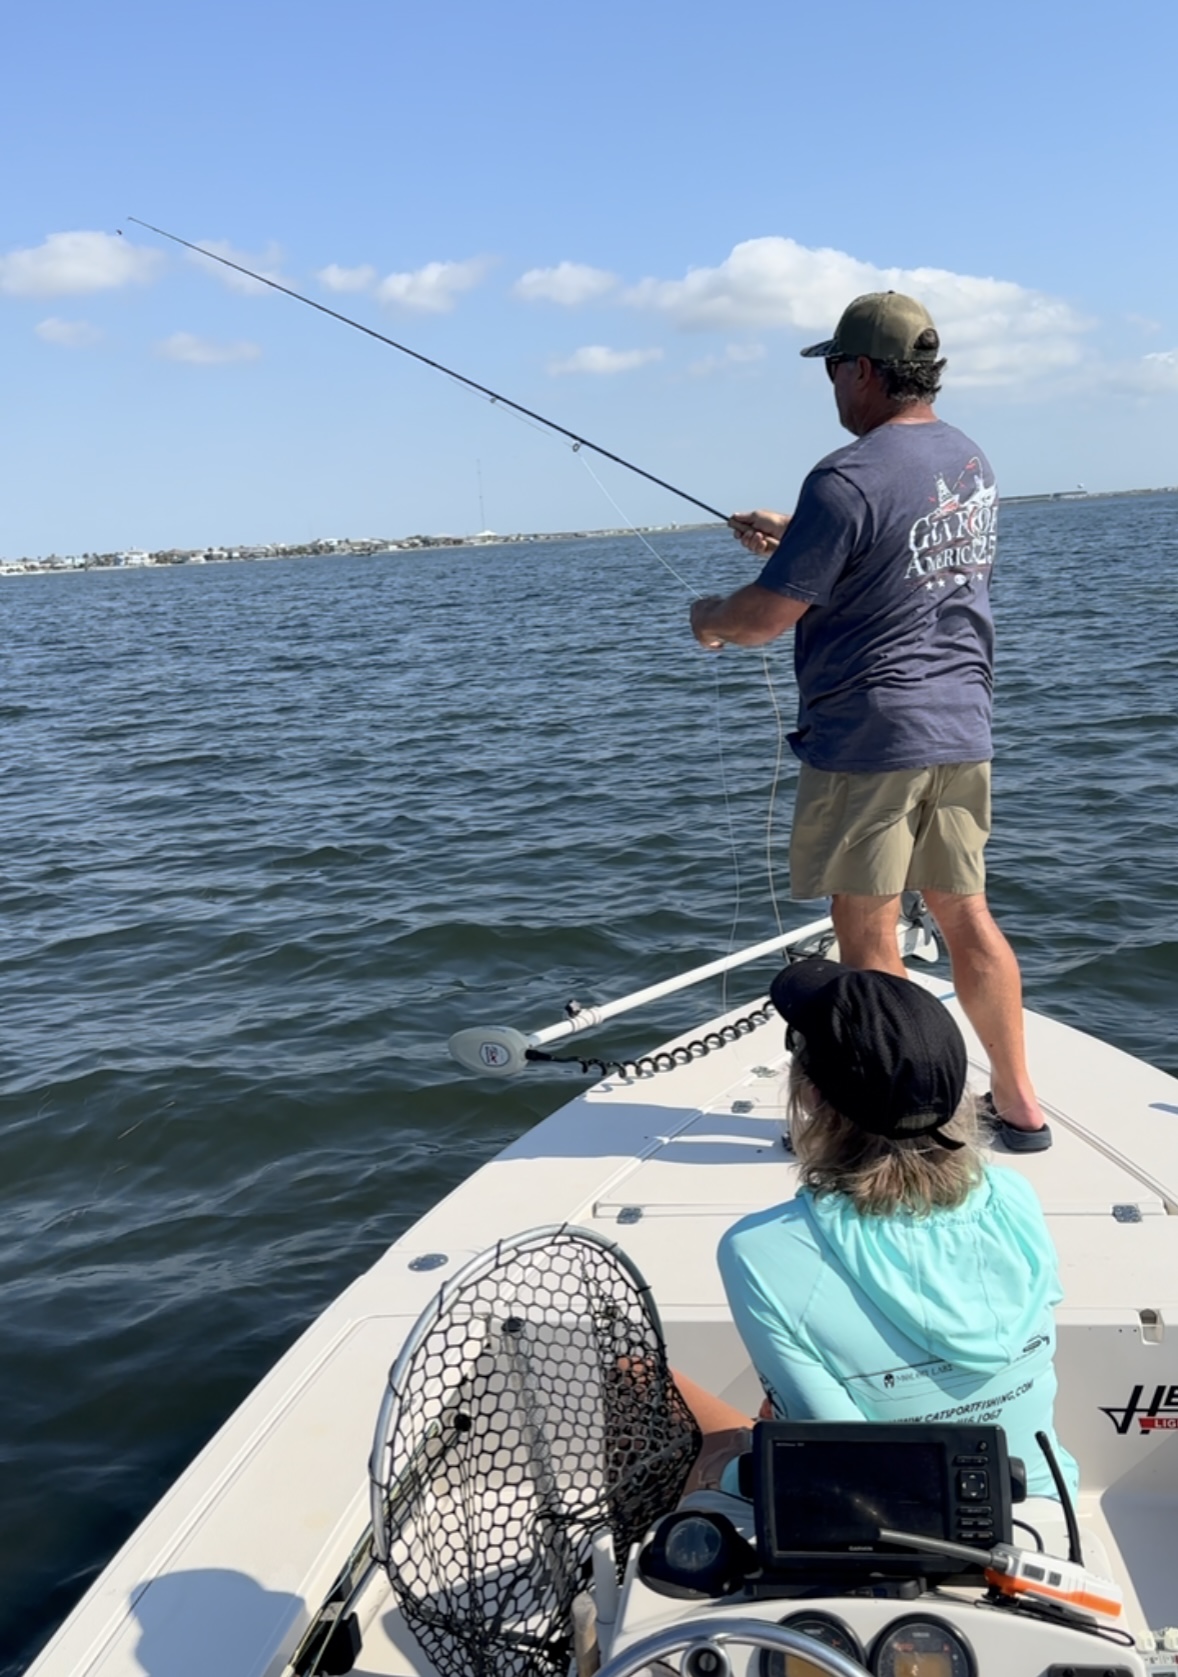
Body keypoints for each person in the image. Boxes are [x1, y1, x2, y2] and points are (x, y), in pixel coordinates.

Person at [689, 291, 1048, 1148]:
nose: (831, 386)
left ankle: (889, 1126)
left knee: (868, 927)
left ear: (860, 370)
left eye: (833, 368)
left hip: (871, 739)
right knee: (965, 911)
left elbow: (763, 619)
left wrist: (709, 617)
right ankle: (1023, 1103)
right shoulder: (969, 460)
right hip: (962, 726)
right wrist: (799, 532)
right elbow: (900, 548)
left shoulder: (844, 475)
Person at [693, 955, 1076, 1503]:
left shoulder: (756, 1252)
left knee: (643, 1379)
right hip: (1039, 1499)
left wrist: (726, 1473)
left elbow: (840, 1452)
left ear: (813, 1097)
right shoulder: (1016, 1200)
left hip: (879, 1519)